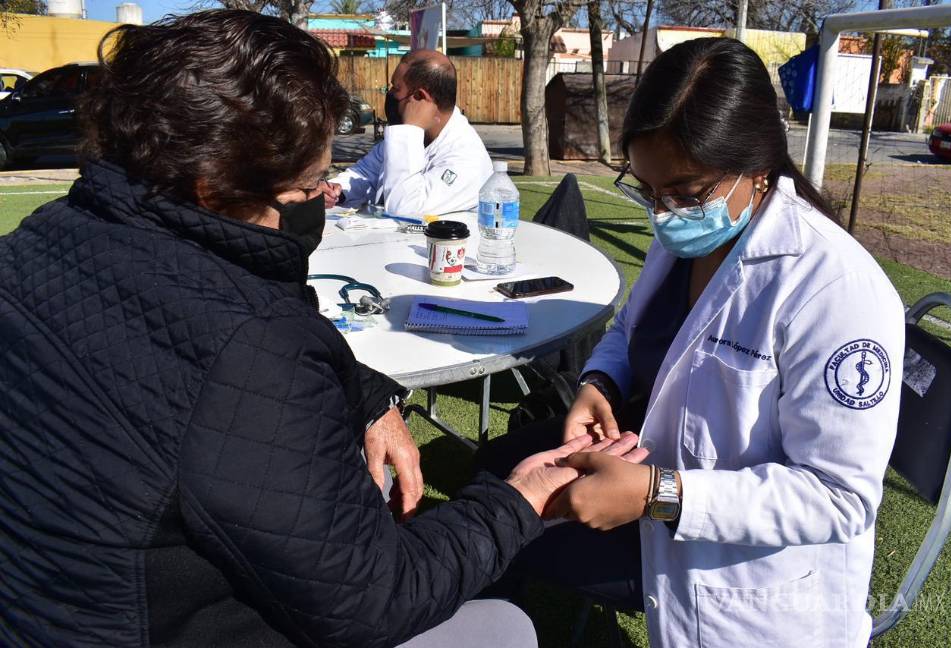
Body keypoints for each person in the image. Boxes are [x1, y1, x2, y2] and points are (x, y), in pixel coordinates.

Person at [0, 11, 648, 648]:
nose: (316, 198)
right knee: (506, 628)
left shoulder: (36, 242)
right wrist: (521, 499)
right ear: (214, 185)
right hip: (160, 623)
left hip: (53, 606)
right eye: (308, 184)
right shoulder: (252, 346)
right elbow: (374, 600)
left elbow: (196, 347)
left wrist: (367, 397)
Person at [479, 37, 905, 648]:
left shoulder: (834, 290)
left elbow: (839, 497)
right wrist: (600, 383)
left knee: (509, 522)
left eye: (685, 192)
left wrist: (661, 495)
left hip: (736, 570)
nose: (664, 214)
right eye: (648, 191)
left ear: (759, 168)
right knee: (497, 476)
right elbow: (630, 329)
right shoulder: (687, 238)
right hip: (647, 484)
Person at [322, 49, 493, 217]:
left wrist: (409, 131)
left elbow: (404, 208)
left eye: (395, 88)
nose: (390, 94)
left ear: (419, 97)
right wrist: (337, 191)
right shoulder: (419, 135)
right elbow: (365, 174)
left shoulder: (467, 159)